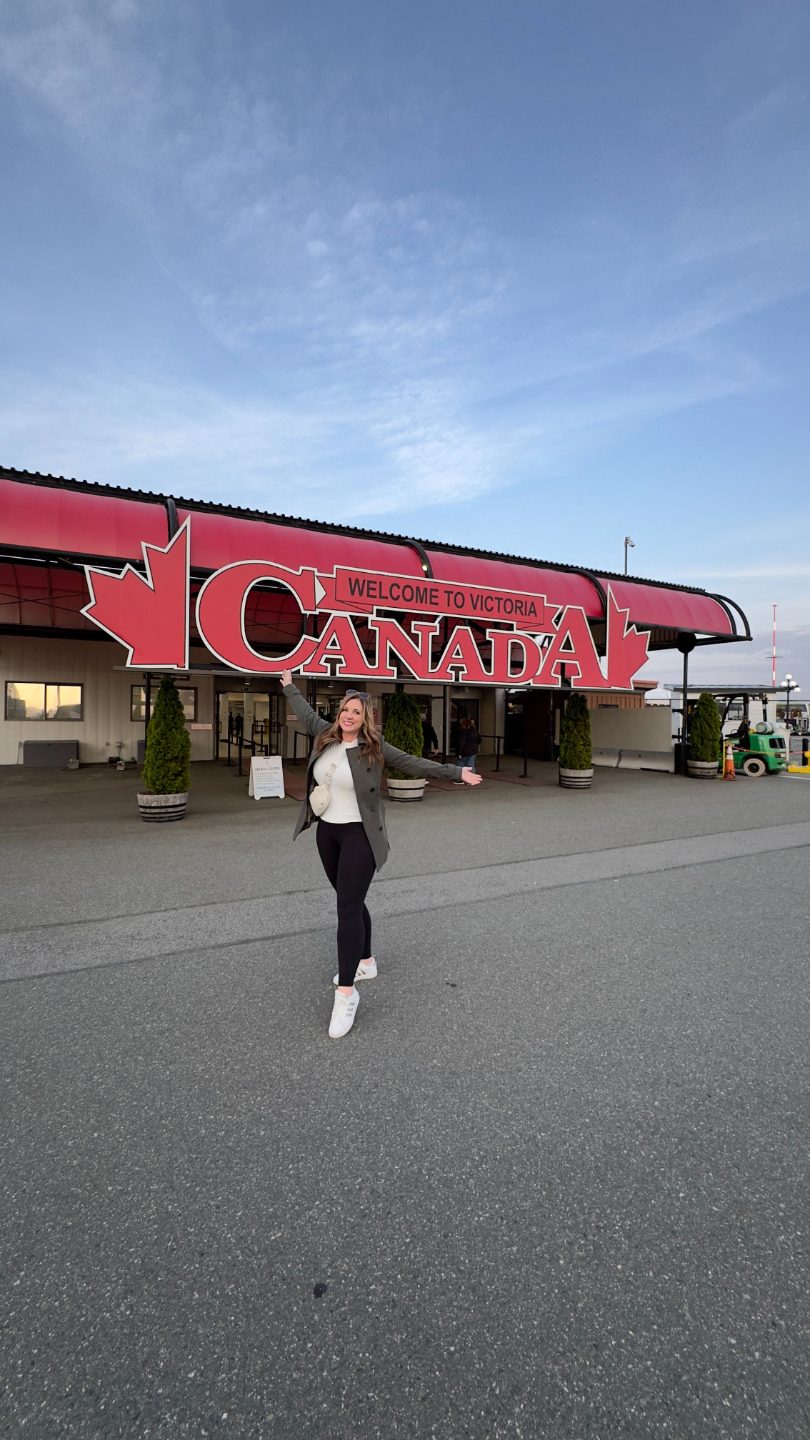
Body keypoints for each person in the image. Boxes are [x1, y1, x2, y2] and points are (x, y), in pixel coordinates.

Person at [281, 672, 482, 1039]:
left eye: (356, 712)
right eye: (346, 710)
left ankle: (346, 994)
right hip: (328, 833)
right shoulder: (325, 736)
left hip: (360, 835)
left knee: (346, 910)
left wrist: (456, 773)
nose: (349, 716)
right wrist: (287, 684)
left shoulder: (375, 748)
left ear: (365, 717)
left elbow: (415, 763)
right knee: (350, 901)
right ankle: (366, 962)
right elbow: (305, 711)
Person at [454, 715, 480, 783]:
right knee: (470, 764)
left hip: (464, 751)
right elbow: (479, 740)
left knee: (460, 765)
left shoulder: (463, 731)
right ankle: (472, 779)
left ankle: (459, 779)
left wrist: (459, 752)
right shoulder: (474, 731)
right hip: (473, 750)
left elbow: (461, 743)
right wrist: (474, 745)